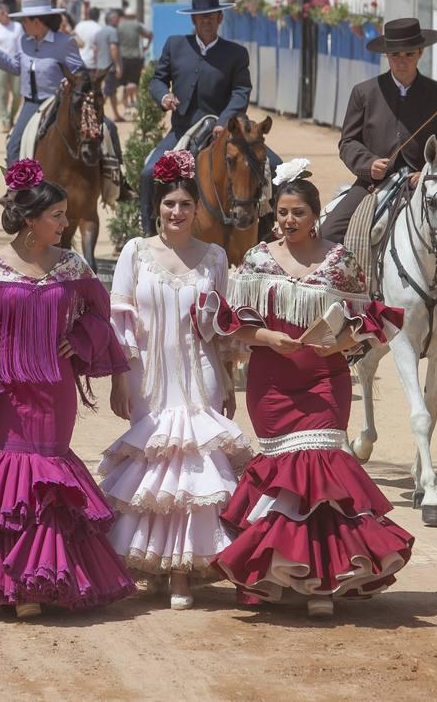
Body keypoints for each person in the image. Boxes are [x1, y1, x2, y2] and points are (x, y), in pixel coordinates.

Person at [0, 160, 136, 617]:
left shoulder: (72, 265)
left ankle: (45, 580)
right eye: (58, 216)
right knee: (12, 478)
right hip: (6, 390)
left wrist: (80, 338)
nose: (66, 223)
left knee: (48, 478)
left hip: (55, 388)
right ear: (31, 220)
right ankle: (20, 586)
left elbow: (100, 316)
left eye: (66, 215)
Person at [211, 161, 413, 617]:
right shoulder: (258, 259)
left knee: (321, 477)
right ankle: (279, 575)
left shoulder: (340, 262)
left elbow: (369, 323)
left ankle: (323, 583)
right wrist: (267, 338)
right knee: (287, 482)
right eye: (282, 212)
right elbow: (232, 323)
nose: (288, 220)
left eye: (298, 212)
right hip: (271, 384)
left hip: (326, 380)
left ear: (315, 214)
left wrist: (339, 343)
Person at [98, 150, 252, 610]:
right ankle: (154, 565)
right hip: (147, 377)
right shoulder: (135, 252)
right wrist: (118, 379)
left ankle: (184, 573)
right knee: (155, 469)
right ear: (157, 208)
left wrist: (227, 380)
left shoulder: (215, 257)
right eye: (170, 205)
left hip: (199, 373)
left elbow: (225, 328)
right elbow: (119, 319)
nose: (178, 213)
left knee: (193, 470)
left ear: (197, 209)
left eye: (186, 205)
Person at [143, 0, 281, 236]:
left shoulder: (236, 53)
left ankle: (268, 233)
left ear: (220, 18)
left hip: (230, 129)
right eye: (201, 16)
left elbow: (241, 90)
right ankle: (148, 236)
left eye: (211, 16)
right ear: (193, 20)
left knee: (276, 167)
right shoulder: (175, 45)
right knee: (149, 172)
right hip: (184, 129)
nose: (206, 21)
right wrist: (164, 95)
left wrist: (225, 120)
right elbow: (157, 80)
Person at [322, 18, 437, 242]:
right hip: (372, 184)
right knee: (329, 234)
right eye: (395, 55)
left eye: (408, 54)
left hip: (427, 185)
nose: (401, 61)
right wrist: (368, 164)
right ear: (387, 56)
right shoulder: (364, 92)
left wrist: (426, 173)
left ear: (420, 53)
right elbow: (348, 142)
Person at [0, 0, 85, 166]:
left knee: (102, 131)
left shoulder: (65, 42)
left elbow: (80, 73)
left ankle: (114, 179)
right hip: (31, 105)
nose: (21, 24)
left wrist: (69, 82)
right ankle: (17, 189)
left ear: (37, 21)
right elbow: (15, 67)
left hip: (59, 103)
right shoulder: (23, 42)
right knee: (14, 145)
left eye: (24, 20)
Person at [0, 4, 24, 132]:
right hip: (0, 65)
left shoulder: (18, 27)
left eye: (7, 12)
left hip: (16, 64)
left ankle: (11, 116)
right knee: (2, 93)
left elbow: (23, 45)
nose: (5, 15)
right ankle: (5, 120)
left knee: (18, 93)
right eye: (2, 13)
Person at [117, 7, 152, 107]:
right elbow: (150, 34)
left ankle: (126, 103)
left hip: (123, 58)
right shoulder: (137, 25)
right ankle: (135, 101)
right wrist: (147, 46)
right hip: (136, 57)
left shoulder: (119, 26)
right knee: (134, 81)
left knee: (124, 83)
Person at [96, 10, 124, 123]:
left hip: (101, 66)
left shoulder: (100, 31)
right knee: (107, 91)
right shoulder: (112, 31)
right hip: (110, 67)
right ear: (112, 20)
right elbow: (113, 48)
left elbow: (96, 50)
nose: (119, 20)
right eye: (117, 18)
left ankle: (116, 115)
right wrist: (118, 66)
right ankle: (96, 114)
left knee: (111, 92)